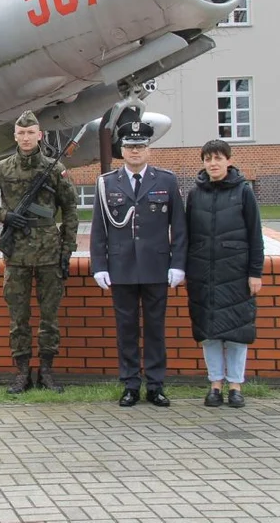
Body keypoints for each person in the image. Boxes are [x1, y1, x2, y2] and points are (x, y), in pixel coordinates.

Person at [0, 110, 79, 394]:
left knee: (49, 319)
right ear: (15, 136)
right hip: (16, 253)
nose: (26, 138)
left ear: (39, 135)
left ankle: (47, 372)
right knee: (18, 319)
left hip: (49, 253)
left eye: (31, 133)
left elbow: (70, 211)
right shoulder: (3, 168)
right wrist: (4, 215)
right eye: (21, 133)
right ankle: (22, 374)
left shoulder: (54, 169)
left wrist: (67, 251)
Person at [90, 120, 187, 408]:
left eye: (140, 146)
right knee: (127, 329)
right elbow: (99, 228)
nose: (135, 151)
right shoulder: (107, 183)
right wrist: (100, 266)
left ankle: (155, 385)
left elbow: (179, 227)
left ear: (149, 149)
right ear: (122, 149)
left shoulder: (166, 181)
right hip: (122, 269)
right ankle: (130, 384)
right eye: (130, 147)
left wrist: (177, 264)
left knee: (156, 329)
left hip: (157, 268)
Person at [185, 139, 264, 409]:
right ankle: (215, 384)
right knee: (209, 334)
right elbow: (188, 236)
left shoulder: (243, 192)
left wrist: (255, 273)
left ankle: (235, 386)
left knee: (237, 333)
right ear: (203, 163)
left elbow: (256, 235)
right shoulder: (195, 194)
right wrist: (185, 269)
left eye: (218, 158)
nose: (213, 164)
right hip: (203, 274)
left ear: (228, 161)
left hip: (236, 273)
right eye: (208, 159)